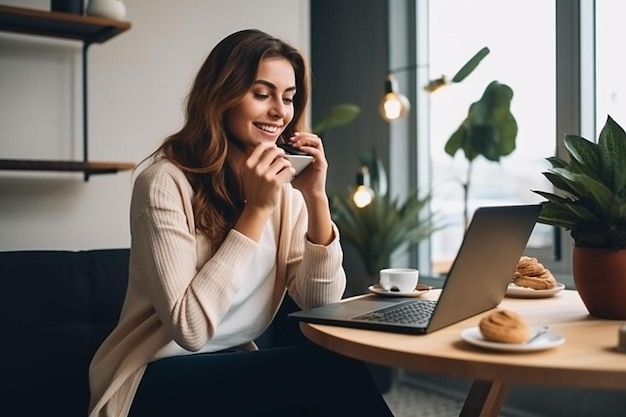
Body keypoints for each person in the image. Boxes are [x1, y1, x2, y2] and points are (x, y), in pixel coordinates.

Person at [88, 29, 394, 417]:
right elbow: (191, 330)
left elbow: (322, 303)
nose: (280, 112)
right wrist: (255, 211)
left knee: (332, 371)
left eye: (288, 97)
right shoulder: (164, 182)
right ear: (222, 96)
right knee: (331, 374)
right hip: (152, 378)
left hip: (230, 365)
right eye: (262, 94)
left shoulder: (286, 191)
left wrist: (315, 197)